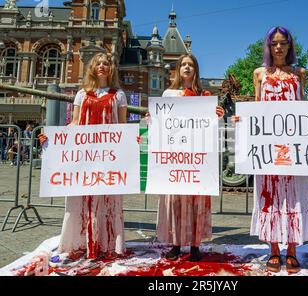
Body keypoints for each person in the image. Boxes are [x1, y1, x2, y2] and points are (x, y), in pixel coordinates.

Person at [233, 26, 308, 273]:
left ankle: (292, 249)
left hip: (294, 148)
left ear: (290, 46)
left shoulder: (299, 73)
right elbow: (257, 107)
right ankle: (273, 249)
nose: (279, 47)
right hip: (267, 149)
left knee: (293, 196)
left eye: (283, 43)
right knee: (270, 195)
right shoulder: (259, 73)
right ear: (269, 47)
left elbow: (305, 110)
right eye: (274, 43)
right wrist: (242, 120)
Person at [39, 53, 138, 260]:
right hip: (84, 158)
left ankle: (108, 243)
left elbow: (122, 126)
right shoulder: (81, 94)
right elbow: (74, 123)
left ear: (111, 69)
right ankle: (80, 242)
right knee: (80, 199)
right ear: (92, 68)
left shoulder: (119, 95)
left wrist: (132, 141)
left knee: (108, 199)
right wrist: (53, 139)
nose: (102, 66)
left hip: (108, 157)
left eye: (106, 64)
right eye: (98, 63)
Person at [150, 53, 224, 262]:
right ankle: (175, 244)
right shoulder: (168, 94)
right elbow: (161, 124)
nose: (187, 68)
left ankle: (194, 245)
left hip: (197, 156)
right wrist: (151, 120)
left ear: (196, 70)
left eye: (191, 65)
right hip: (175, 155)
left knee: (196, 200)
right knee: (176, 199)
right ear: (177, 69)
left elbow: (211, 129)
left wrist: (218, 116)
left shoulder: (204, 95)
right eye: (183, 64)